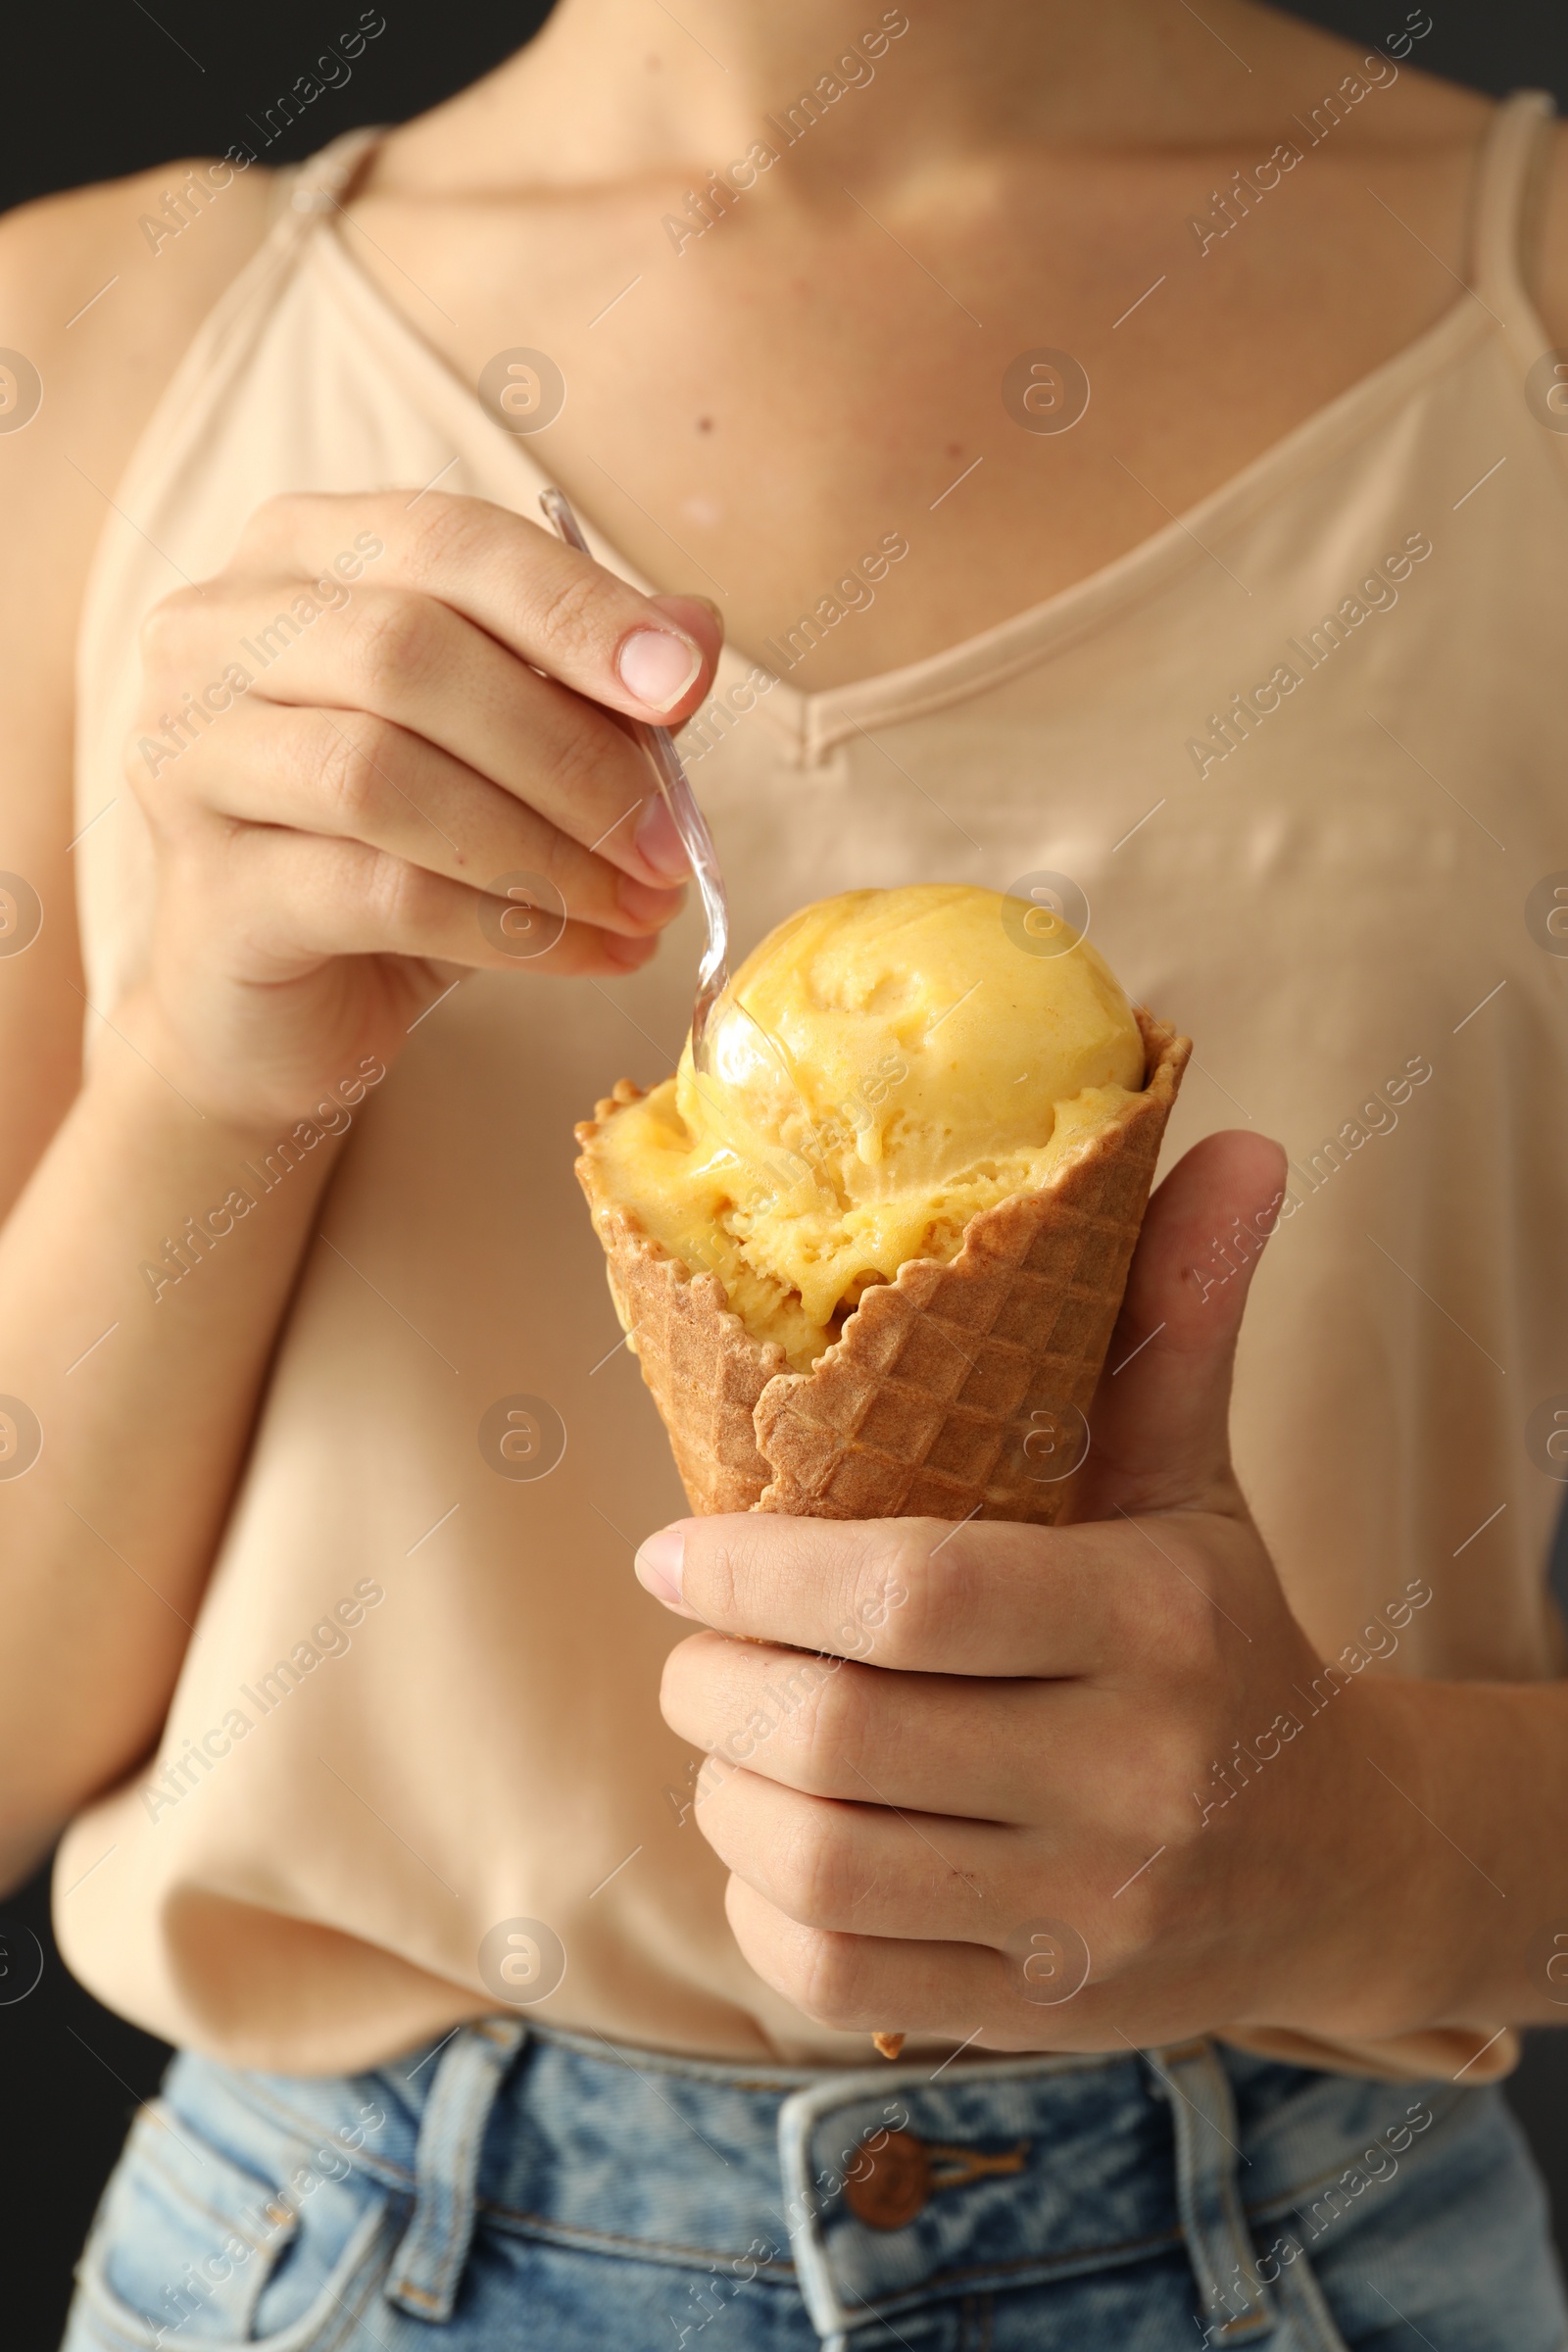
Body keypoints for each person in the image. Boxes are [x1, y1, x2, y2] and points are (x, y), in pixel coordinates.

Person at [2, 0, 1566, 2342]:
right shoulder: (89, 347)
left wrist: (1359, 1849)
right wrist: (202, 1073)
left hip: (1310, 2254)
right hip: (323, 2262)